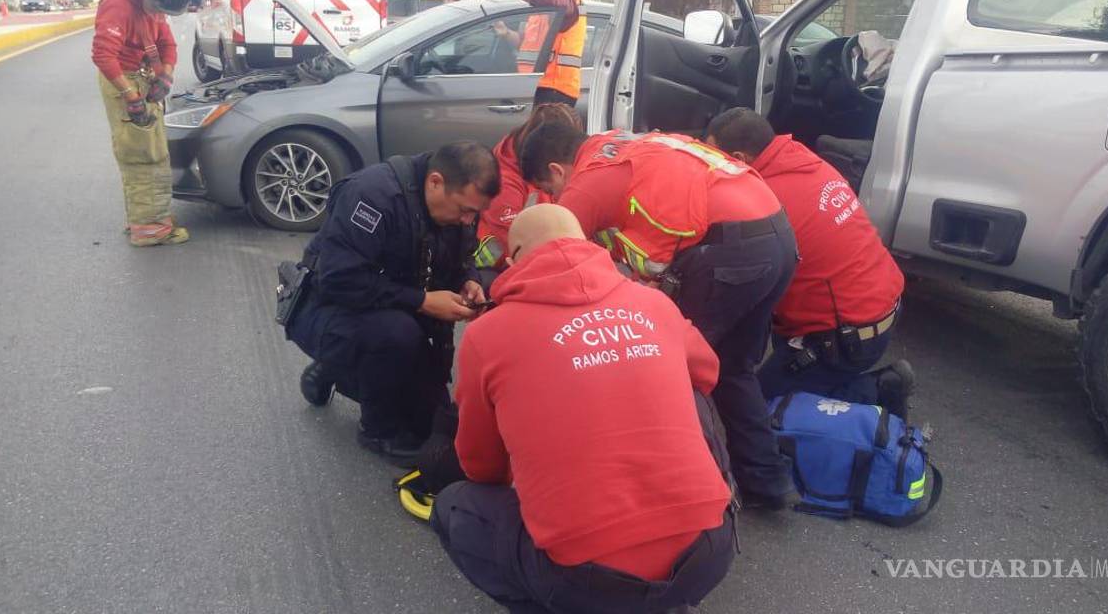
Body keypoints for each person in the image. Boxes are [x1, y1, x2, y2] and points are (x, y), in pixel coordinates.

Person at [432, 204, 736, 613]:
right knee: (692, 389)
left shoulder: (487, 335)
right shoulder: (654, 303)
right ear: (586, 243)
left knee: (454, 505)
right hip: (710, 552)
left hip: (581, 577)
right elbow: (707, 372)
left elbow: (480, 466)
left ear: (515, 256)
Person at [519, 124, 800, 510]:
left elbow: (551, 267)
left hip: (728, 250)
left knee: (673, 366)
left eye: (549, 189)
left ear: (555, 169)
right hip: (777, 233)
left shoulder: (584, 185)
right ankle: (767, 480)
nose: (554, 198)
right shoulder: (622, 143)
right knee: (734, 366)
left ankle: (691, 489)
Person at [286, 142, 500, 464]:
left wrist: (467, 280)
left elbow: (461, 255)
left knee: (431, 420)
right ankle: (377, 431)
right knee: (396, 334)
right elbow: (338, 280)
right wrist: (423, 301)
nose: (468, 220)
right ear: (436, 182)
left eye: (475, 213)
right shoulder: (372, 197)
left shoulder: (454, 208)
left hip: (390, 306)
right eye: (463, 210)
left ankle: (335, 369)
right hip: (326, 307)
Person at [704, 108, 913, 417]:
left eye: (712, 157)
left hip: (848, 339)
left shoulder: (764, 200)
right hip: (878, 306)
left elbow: (739, 286)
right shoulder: (799, 159)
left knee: (756, 409)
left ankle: (879, 388)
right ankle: (814, 380)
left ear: (741, 158)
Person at [92, 0, 193, 246]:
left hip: (142, 75)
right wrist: (130, 95)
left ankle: (147, 219)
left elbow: (167, 44)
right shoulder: (118, 5)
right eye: (156, 7)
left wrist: (166, 75)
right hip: (122, 78)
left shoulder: (154, 0)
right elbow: (103, 54)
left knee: (155, 151)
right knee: (143, 155)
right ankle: (150, 230)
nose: (157, 13)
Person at [471, 103, 582, 287]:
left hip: (538, 255)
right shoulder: (504, 182)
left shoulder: (544, 164)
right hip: (500, 266)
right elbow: (515, 243)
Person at [484, 0, 587, 107]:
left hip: (556, 91)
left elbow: (558, 2)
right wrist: (506, 32)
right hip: (534, 87)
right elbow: (526, 44)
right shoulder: (546, 3)